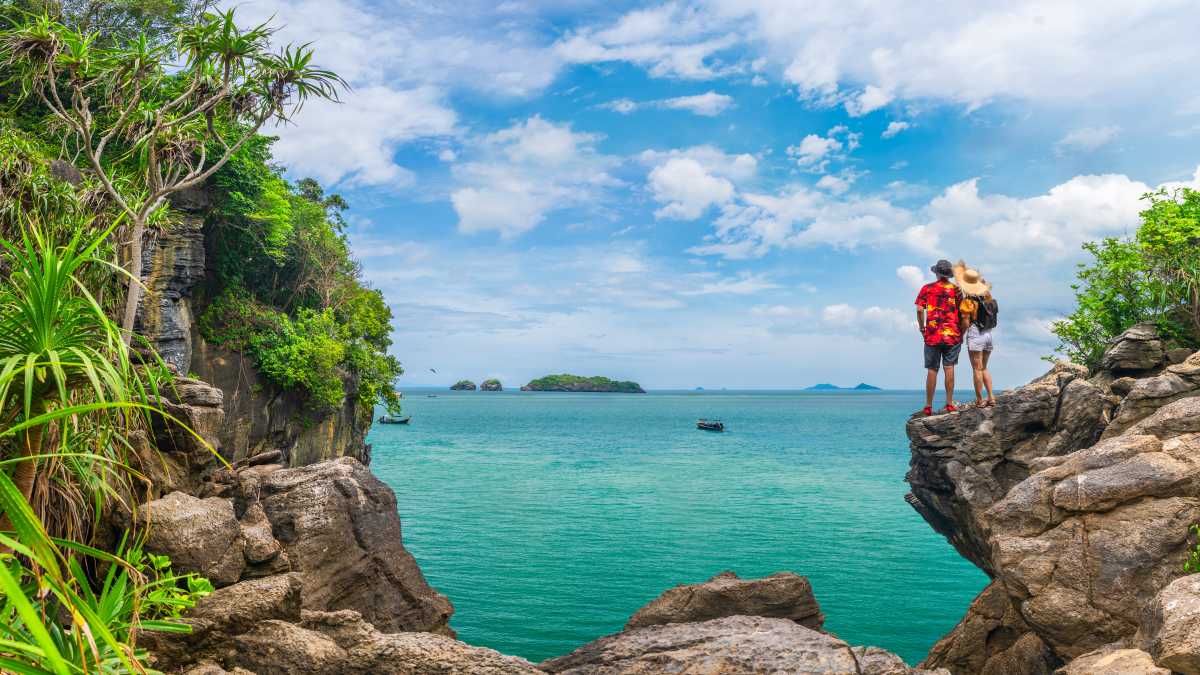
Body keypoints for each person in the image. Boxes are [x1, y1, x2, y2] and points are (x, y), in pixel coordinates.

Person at [915, 259, 963, 416]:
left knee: (932, 370)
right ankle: (949, 404)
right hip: (952, 335)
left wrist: (922, 327)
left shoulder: (927, 289)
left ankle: (928, 406)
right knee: (949, 368)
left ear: (936, 272)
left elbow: (920, 310)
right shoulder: (956, 290)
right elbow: (962, 312)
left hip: (932, 335)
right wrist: (960, 331)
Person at [956, 265, 998, 408]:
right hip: (988, 334)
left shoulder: (968, 301)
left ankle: (980, 400)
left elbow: (966, 322)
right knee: (984, 368)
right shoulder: (988, 297)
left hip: (975, 334)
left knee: (976, 369)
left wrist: (960, 336)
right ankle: (991, 397)